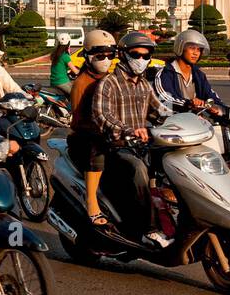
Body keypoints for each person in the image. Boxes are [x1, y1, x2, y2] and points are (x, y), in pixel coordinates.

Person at [90, 30, 169, 248]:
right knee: (139, 170)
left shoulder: (144, 84)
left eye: (146, 56)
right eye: (136, 54)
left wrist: (184, 116)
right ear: (124, 55)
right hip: (117, 147)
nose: (141, 60)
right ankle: (149, 230)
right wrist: (128, 130)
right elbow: (102, 115)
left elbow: (159, 111)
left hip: (143, 145)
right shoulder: (109, 83)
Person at [67, 29, 116, 227]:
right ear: (88, 56)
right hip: (84, 138)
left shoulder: (111, 79)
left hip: (113, 134)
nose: (106, 60)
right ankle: (91, 203)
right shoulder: (81, 83)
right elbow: (79, 121)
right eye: (100, 56)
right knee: (97, 149)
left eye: (110, 55)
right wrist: (104, 129)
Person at [157, 29, 225, 115]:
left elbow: (210, 95)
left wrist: (223, 108)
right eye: (192, 48)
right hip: (170, 121)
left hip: (193, 121)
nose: (196, 53)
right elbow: (165, 97)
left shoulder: (199, 74)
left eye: (199, 50)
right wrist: (189, 103)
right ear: (180, 47)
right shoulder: (165, 73)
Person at [48, 33, 74, 98]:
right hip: (62, 82)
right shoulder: (65, 56)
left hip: (53, 82)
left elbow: (59, 67)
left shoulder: (54, 54)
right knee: (76, 94)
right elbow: (75, 71)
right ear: (68, 43)